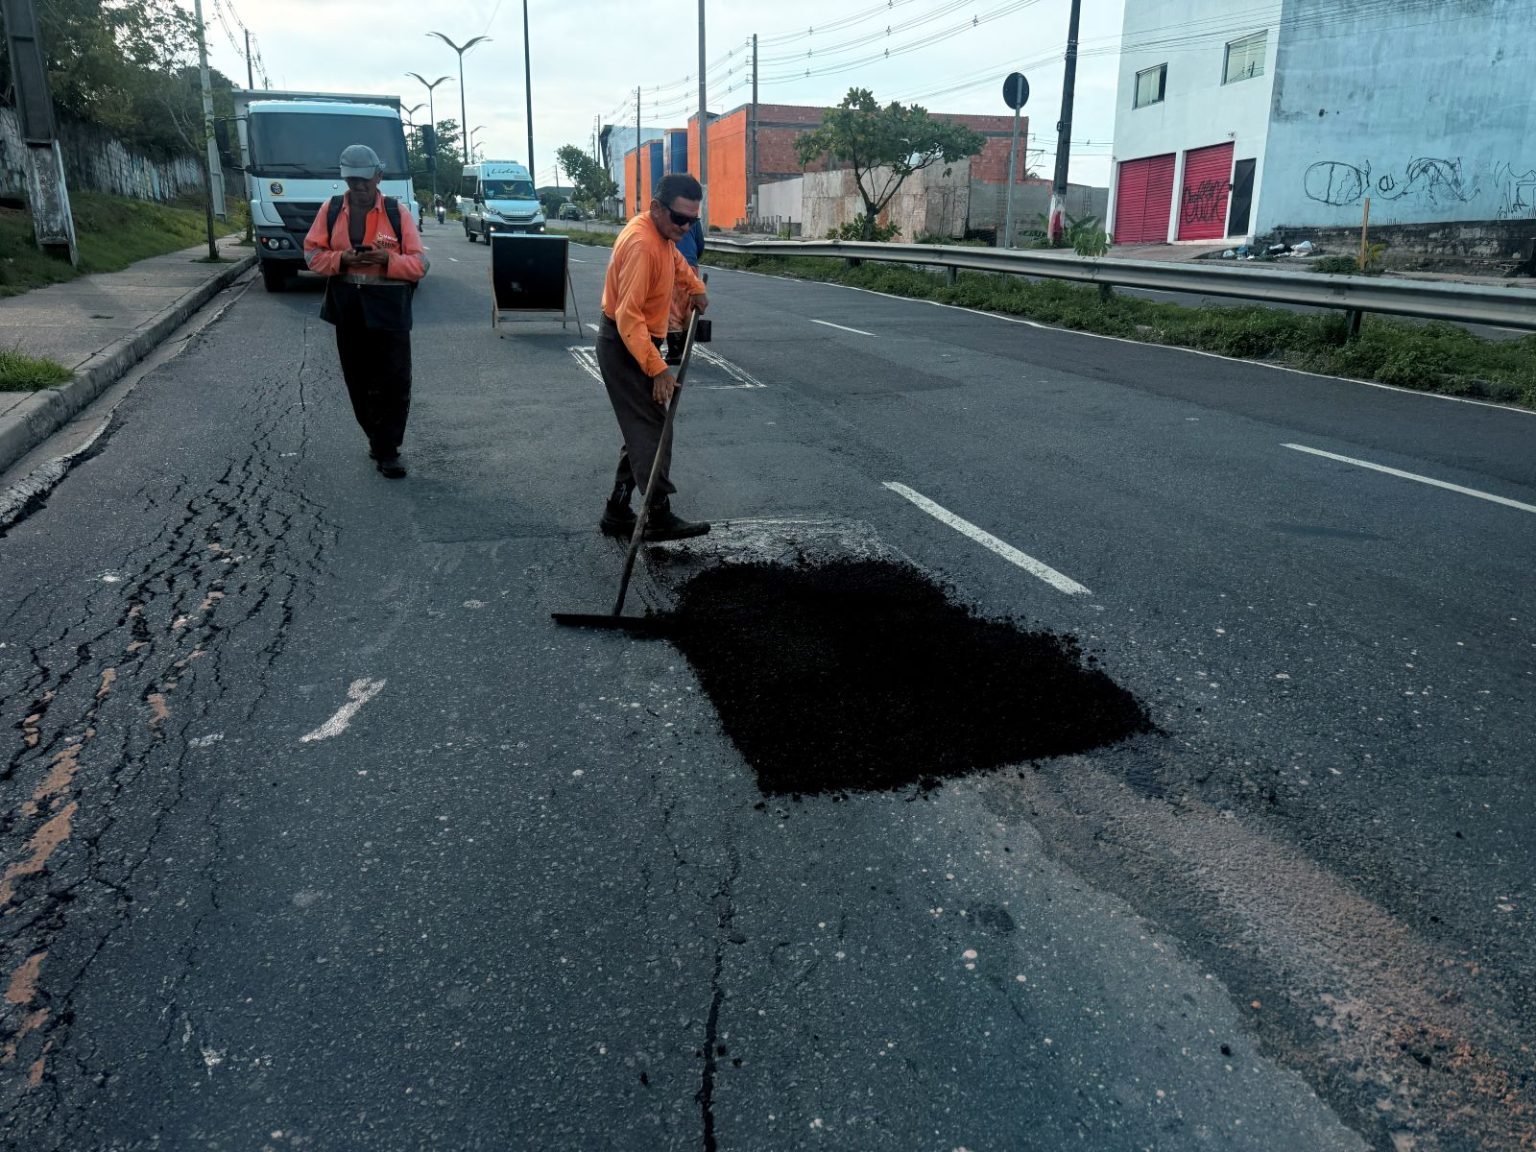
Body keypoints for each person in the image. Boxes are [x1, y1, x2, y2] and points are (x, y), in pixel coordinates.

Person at [596, 172, 710, 541]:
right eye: (680, 219)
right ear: (657, 209)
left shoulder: (661, 234)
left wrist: (695, 288)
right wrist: (658, 369)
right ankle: (657, 512)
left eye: (694, 220)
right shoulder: (642, 245)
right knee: (653, 429)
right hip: (625, 343)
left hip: (640, 340)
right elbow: (628, 317)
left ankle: (617, 509)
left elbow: (675, 261)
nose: (686, 227)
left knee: (641, 428)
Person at [303, 144, 428, 479]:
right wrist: (342, 259)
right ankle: (376, 436)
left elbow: (419, 264)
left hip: (390, 311)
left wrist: (387, 260)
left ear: (379, 177)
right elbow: (313, 256)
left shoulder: (396, 212)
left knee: (395, 380)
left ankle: (389, 449)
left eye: (364, 181)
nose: (358, 188)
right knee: (359, 380)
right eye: (352, 181)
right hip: (349, 309)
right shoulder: (330, 211)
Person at [665, 215, 706, 365]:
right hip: (691, 265)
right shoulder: (694, 220)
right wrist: (693, 259)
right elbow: (700, 244)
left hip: (673, 264)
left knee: (674, 309)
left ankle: (675, 351)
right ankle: (684, 349)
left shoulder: (668, 217)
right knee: (689, 309)